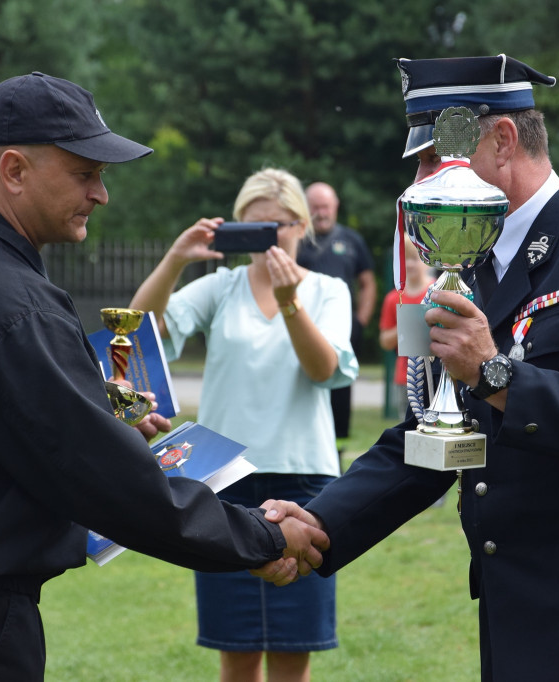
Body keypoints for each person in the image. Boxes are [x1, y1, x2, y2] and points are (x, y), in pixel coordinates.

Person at [0, 72, 328, 682]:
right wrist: (260, 539)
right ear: (14, 170)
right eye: (85, 173)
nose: (101, 194)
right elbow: (110, 484)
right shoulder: (12, 303)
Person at [257, 54, 559, 681]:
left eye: (432, 159)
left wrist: (494, 373)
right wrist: (322, 520)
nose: (419, 182)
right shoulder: (470, 271)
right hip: (521, 627)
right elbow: (437, 435)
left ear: (502, 141)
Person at [128, 167, 357, 682]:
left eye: (275, 227)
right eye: (252, 229)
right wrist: (174, 260)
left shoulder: (327, 290)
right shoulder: (222, 287)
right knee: (235, 649)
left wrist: (288, 302)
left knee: (294, 649)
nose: (264, 242)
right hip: (224, 479)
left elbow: (324, 371)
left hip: (305, 478)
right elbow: (138, 330)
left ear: (301, 225)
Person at [297, 181, 376, 453]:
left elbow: (367, 282)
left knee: (341, 389)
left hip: (342, 329)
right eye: (315, 207)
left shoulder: (352, 240)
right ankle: (306, 447)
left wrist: (361, 321)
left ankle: (337, 450)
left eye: (326, 206)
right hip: (303, 328)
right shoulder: (295, 240)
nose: (321, 212)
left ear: (336, 207)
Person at [379, 234, 433, 418]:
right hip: (405, 377)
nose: (409, 265)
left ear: (426, 260)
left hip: (436, 372)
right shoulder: (393, 298)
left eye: (414, 258)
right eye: (404, 259)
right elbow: (385, 341)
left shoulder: (439, 293)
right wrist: (409, 322)